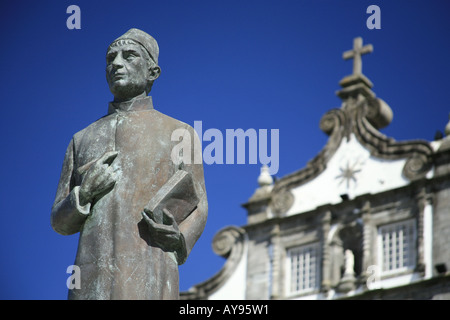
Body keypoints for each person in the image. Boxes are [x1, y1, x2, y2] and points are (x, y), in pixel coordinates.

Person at [51, 28, 208, 300]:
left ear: (152, 72)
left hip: (152, 264)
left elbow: (200, 204)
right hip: (91, 274)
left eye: (129, 56)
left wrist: (179, 238)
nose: (116, 64)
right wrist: (84, 194)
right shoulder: (81, 139)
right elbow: (59, 221)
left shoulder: (180, 132)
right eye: (111, 58)